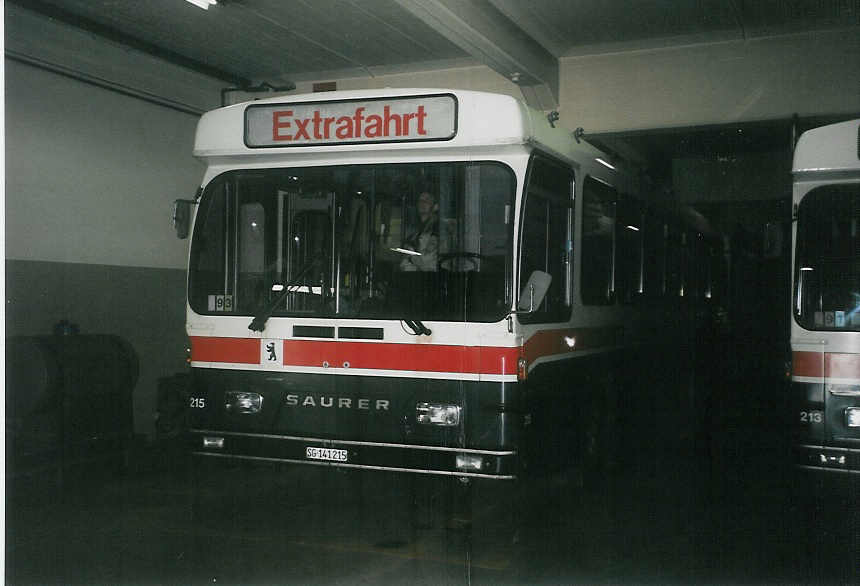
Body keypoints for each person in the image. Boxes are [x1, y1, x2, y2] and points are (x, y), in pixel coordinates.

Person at [400, 190, 439, 271]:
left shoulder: (438, 230)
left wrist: (411, 255)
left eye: (427, 200)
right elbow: (404, 265)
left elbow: (428, 264)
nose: (422, 203)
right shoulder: (414, 235)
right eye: (420, 201)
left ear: (435, 206)